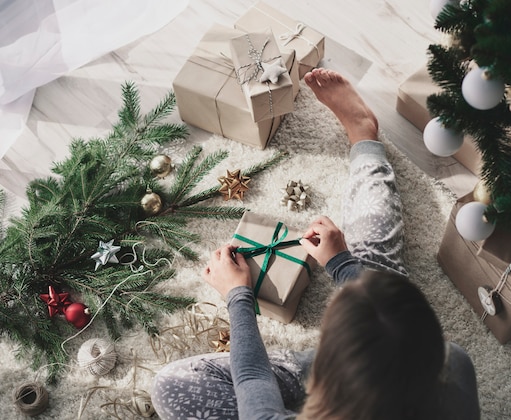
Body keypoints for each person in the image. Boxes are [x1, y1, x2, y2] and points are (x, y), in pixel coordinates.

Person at [151, 68, 480, 419]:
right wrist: (340, 262)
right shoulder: (450, 365)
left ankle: (346, 347)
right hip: (385, 369)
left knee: (171, 386)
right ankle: (363, 137)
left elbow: (251, 380)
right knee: (377, 282)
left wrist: (238, 296)